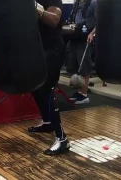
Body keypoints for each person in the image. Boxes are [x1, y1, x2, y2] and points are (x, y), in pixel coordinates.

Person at [28, 0, 69, 156]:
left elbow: (53, 19)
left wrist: (34, 7)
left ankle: (62, 138)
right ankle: (47, 123)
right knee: (35, 87)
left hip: (53, 50)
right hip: (37, 49)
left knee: (47, 91)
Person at [66, 0, 97, 104]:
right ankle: (79, 91)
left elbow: (100, 20)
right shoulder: (77, 3)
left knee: (84, 66)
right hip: (75, 35)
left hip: (86, 37)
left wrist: (92, 33)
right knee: (74, 65)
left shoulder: (93, 3)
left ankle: (84, 94)